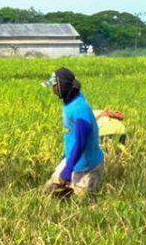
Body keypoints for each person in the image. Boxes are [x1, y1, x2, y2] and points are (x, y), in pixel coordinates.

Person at [42, 68, 104, 198]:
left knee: (79, 202)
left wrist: (68, 170)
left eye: (54, 86)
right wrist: (66, 157)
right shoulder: (70, 102)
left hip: (87, 167)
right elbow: (71, 135)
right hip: (73, 160)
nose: (53, 90)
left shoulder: (78, 108)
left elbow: (81, 142)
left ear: (63, 85)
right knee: (48, 194)